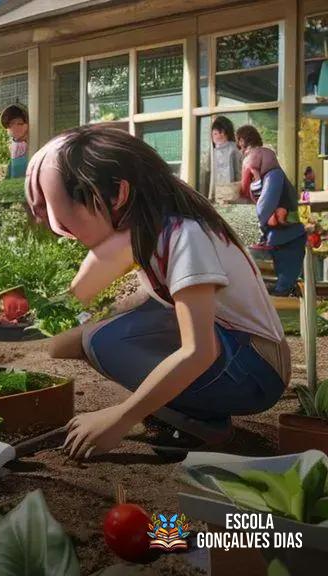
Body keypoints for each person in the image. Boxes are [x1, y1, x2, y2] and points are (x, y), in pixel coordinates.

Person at [28, 126, 288, 459]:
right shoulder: (148, 230)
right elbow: (133, 302)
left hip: (254, 369)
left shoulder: (184, 235)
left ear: (117, 194)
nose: (63, 228)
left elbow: (199, 351)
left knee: (104, 341)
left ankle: (196, 420)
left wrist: (121, 418)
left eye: (70, 208)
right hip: (234, 346)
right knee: (95, 336)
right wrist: (56, 325)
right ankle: (179, 404)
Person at [236, 129, 306, 297]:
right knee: (283, 266)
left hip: (286, 234)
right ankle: (285, 287)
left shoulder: (273, 176)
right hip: (280, 235)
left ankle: (285, 288)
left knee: (287, 267)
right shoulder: (266, 175)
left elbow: (265, 205)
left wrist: (256, 223)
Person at [0, 103, 30, 187]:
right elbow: (10, 181)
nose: (11, 128)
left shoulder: (38, 145)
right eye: (9, 125)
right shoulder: (16, 153)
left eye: (14, 123)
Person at [204, 116, 243, 203]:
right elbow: (207, 174)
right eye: (215, 133)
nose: (218, 136)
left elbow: (239, 173)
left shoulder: (234, 150)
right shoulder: (211, 151)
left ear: (228, 133)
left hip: (231, 195)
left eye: (221, 133)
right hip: (215, 195)